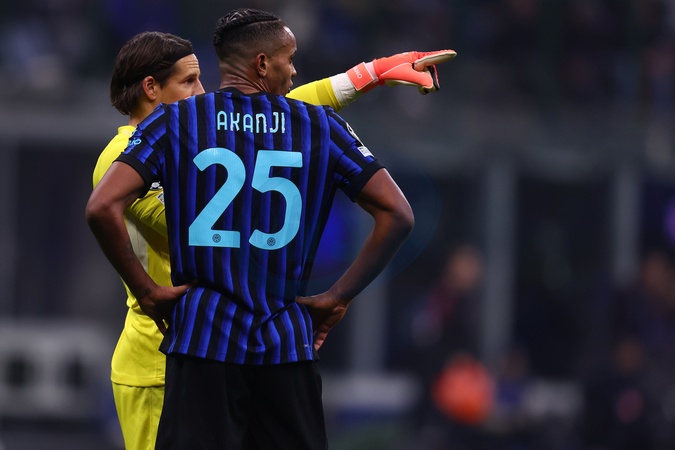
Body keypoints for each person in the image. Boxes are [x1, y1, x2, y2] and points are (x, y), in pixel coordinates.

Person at [90, 12, 455, 450]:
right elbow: (274, 126)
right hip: (161, 360)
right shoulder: (123, 152)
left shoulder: (185, 126)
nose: (202, 92)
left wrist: (368, 75)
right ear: (151, 88)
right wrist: (148, 292)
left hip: (204, 341)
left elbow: (263, 113)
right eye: (189, 82)